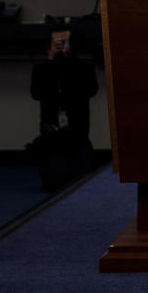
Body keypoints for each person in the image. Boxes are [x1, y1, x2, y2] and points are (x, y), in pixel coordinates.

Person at [28, 30, 99, 190]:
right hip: (52, 135)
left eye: (65, 42)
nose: (62, 46)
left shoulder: (85, 69)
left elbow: (90, 90)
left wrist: (69, 59)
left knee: (85, 181)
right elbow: (37, 93)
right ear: (49, 49)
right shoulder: (41, 70)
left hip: (77, 134)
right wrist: (52, 61)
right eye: (57, 44)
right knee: (56, 181)